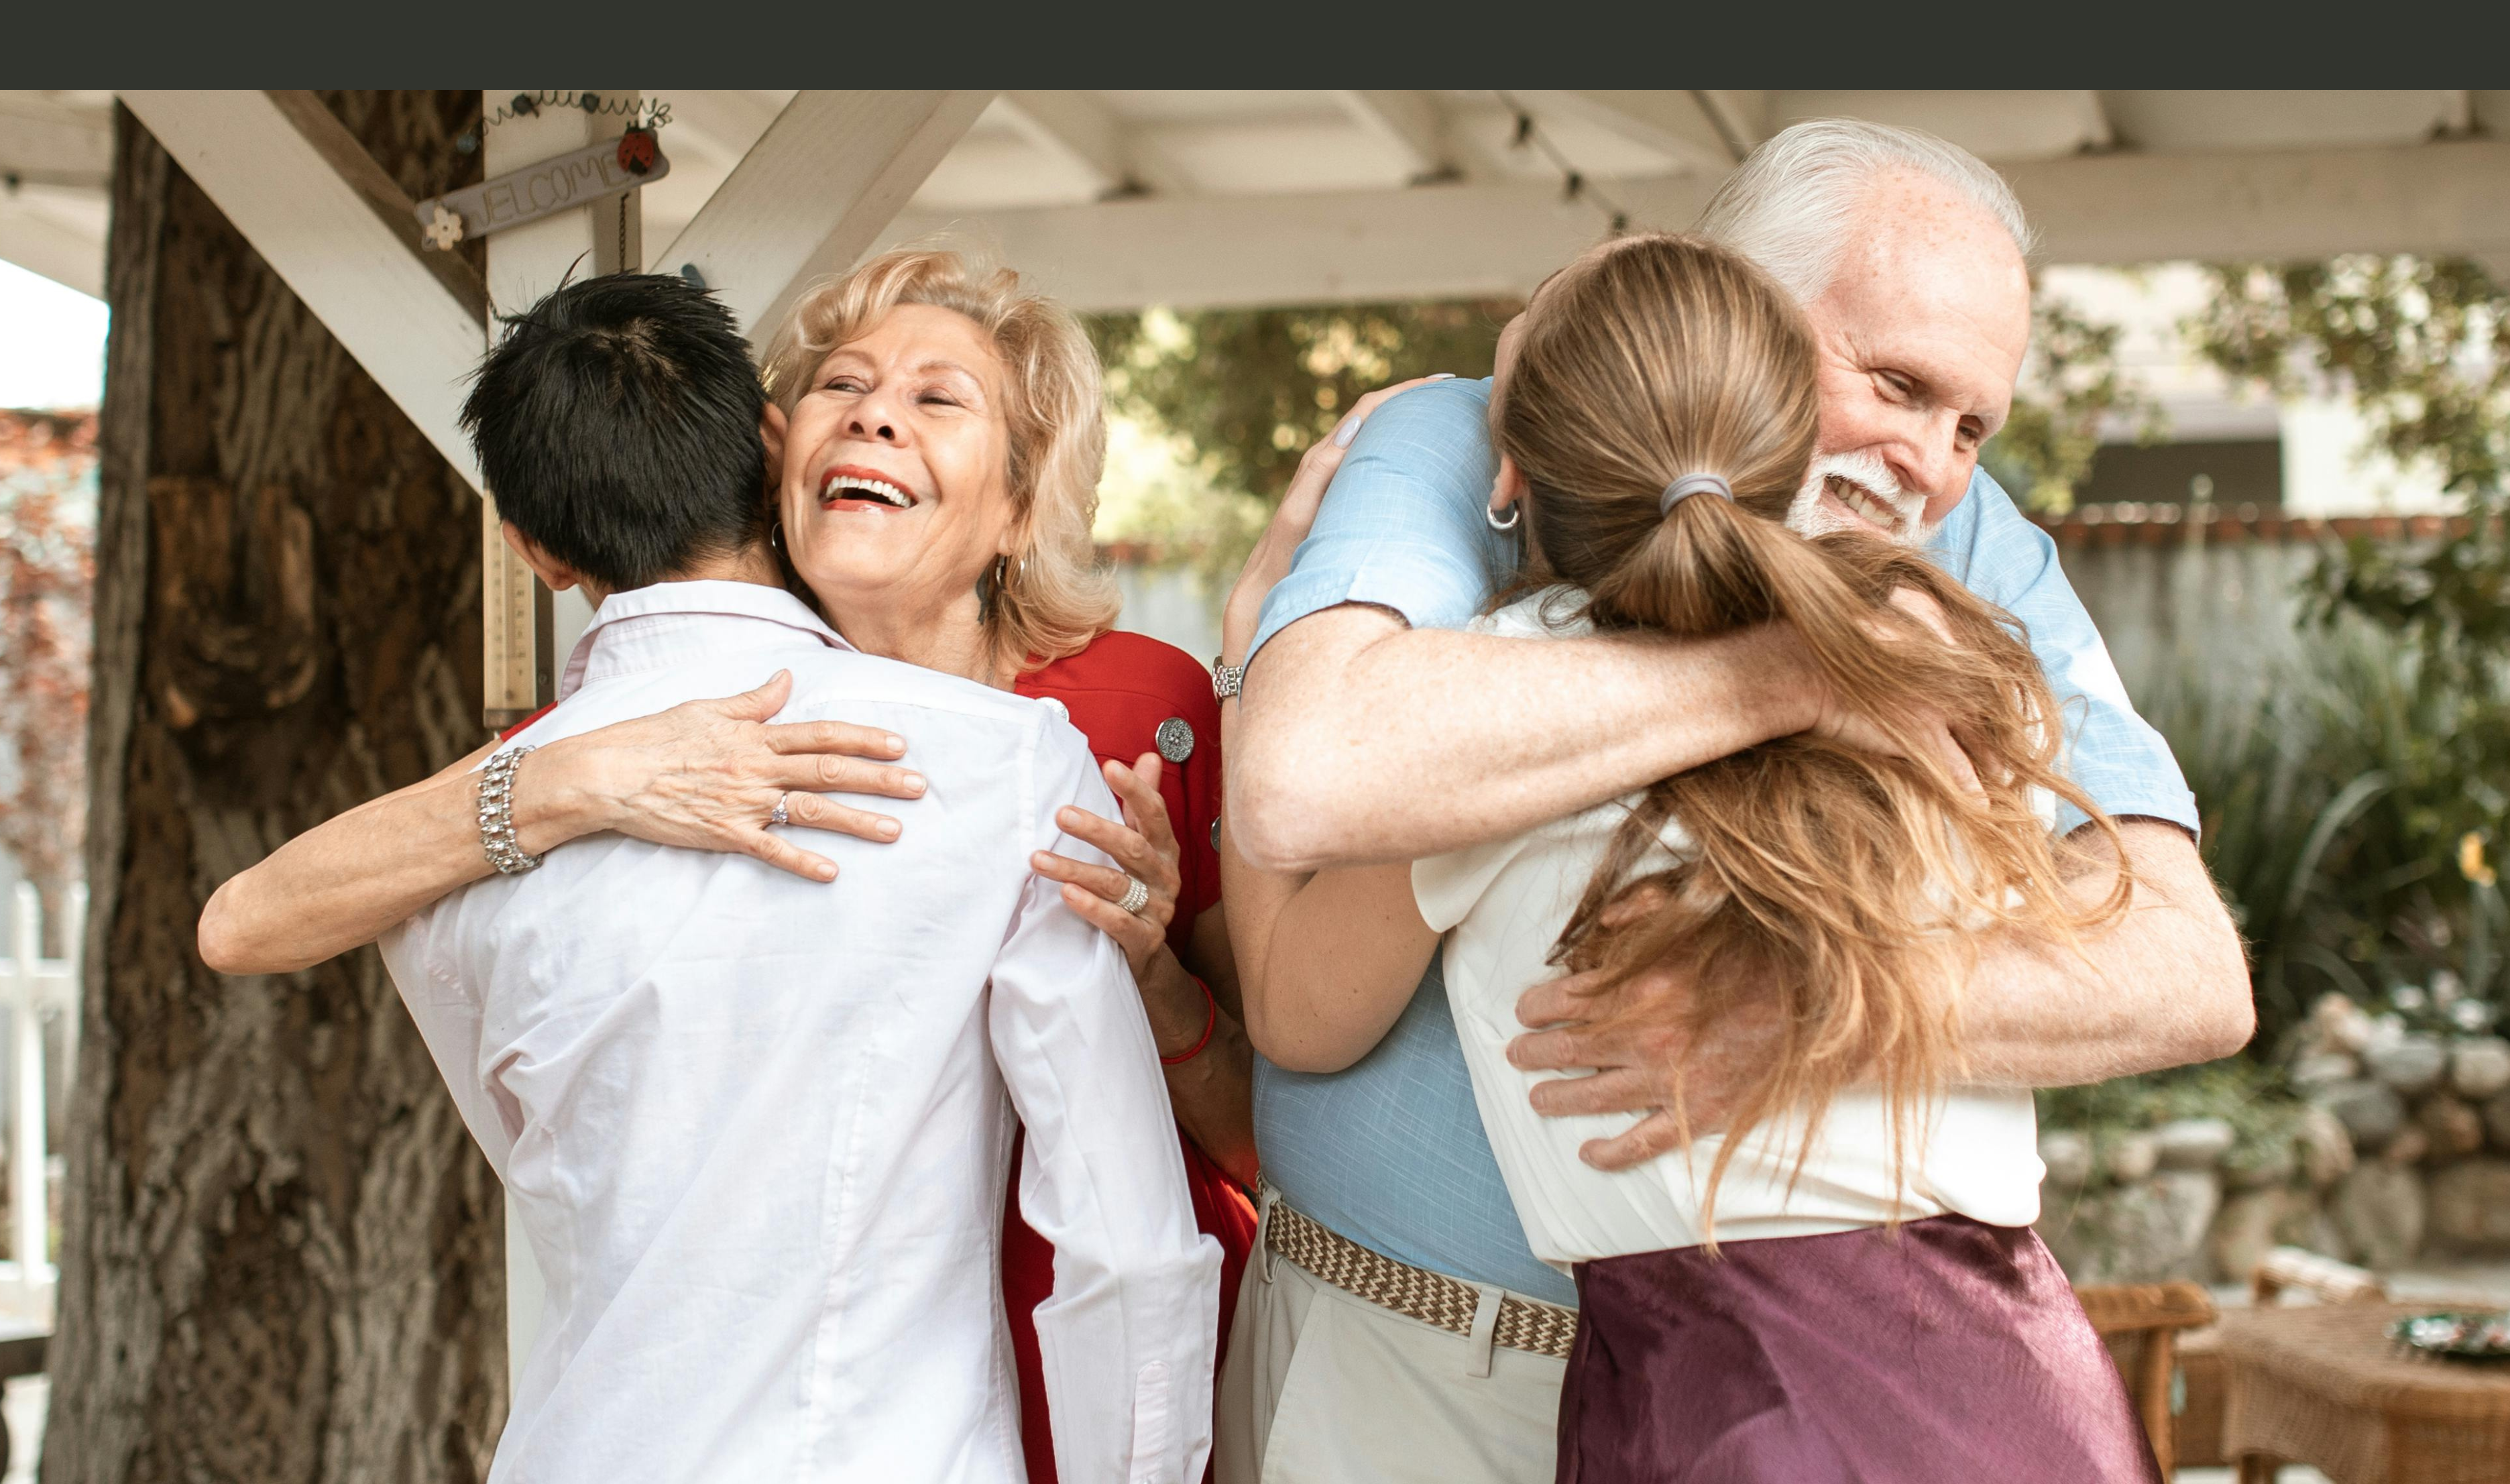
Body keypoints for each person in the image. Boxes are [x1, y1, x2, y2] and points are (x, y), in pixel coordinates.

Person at [1212, 120, 2254, 1481]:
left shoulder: (1970, 553)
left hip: (1755, 1397)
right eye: (1891, 382)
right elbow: (1311, 773)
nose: (1929, 464)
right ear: (1734, 299)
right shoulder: (1469, 433)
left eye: (1969, 422)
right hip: (1416, 1368)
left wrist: (1808, 1007)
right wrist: (1793, 670)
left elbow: (2183, 969)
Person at [199, 246, 1257, 1484]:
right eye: (847, 385)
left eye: (936, 399)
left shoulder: (449, 858)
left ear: (531, 547)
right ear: (772, 448)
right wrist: (579, 776)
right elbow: (1126, 1256)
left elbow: (541, 1145)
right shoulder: (1013, 769)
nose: (876, 415)